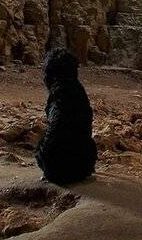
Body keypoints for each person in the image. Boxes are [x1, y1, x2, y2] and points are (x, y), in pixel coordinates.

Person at [34, 47, 97, 185]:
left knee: (42, 145)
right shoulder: (79, 91)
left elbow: (55, 127)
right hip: (83, 167)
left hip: (55, 170)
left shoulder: (58, 93)